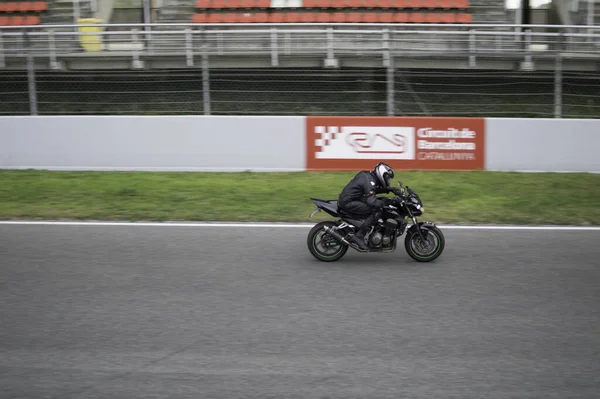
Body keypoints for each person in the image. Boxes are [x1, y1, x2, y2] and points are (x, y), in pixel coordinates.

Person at [337, 162, 397, 250]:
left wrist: (390, 189)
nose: (388, 181)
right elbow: (371, 201)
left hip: (353, 198)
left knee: (379, 202)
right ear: (381, 174)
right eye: (387, 178)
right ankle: (359, 236)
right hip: (348, 202)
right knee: (377, 210)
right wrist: (386, 203)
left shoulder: (369, 176)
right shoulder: (370, 180)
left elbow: (373, 189)